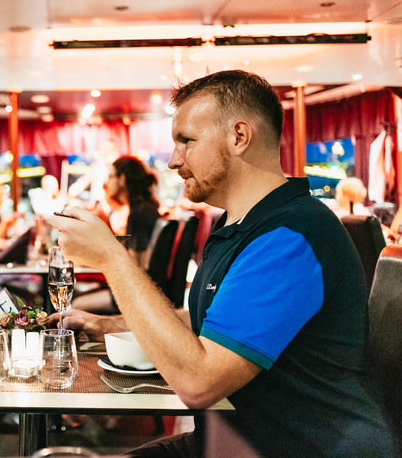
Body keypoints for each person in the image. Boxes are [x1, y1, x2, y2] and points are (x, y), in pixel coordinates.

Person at [48, 70, 394, 457]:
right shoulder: (234, 222)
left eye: (187, 141)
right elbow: (207, 321)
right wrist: (105, 324)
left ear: (239, 136)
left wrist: (110, 257)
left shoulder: (291, 235)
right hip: (229, 441)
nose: (173, 161)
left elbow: (198, 383)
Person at [73, 156, 162, 314]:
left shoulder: (139, 213)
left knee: (76, 305)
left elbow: (136, 266)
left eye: (110, 176)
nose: (105, 183)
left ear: (122, 179)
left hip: (138, 298)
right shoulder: (144, 207)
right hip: (144, 294)